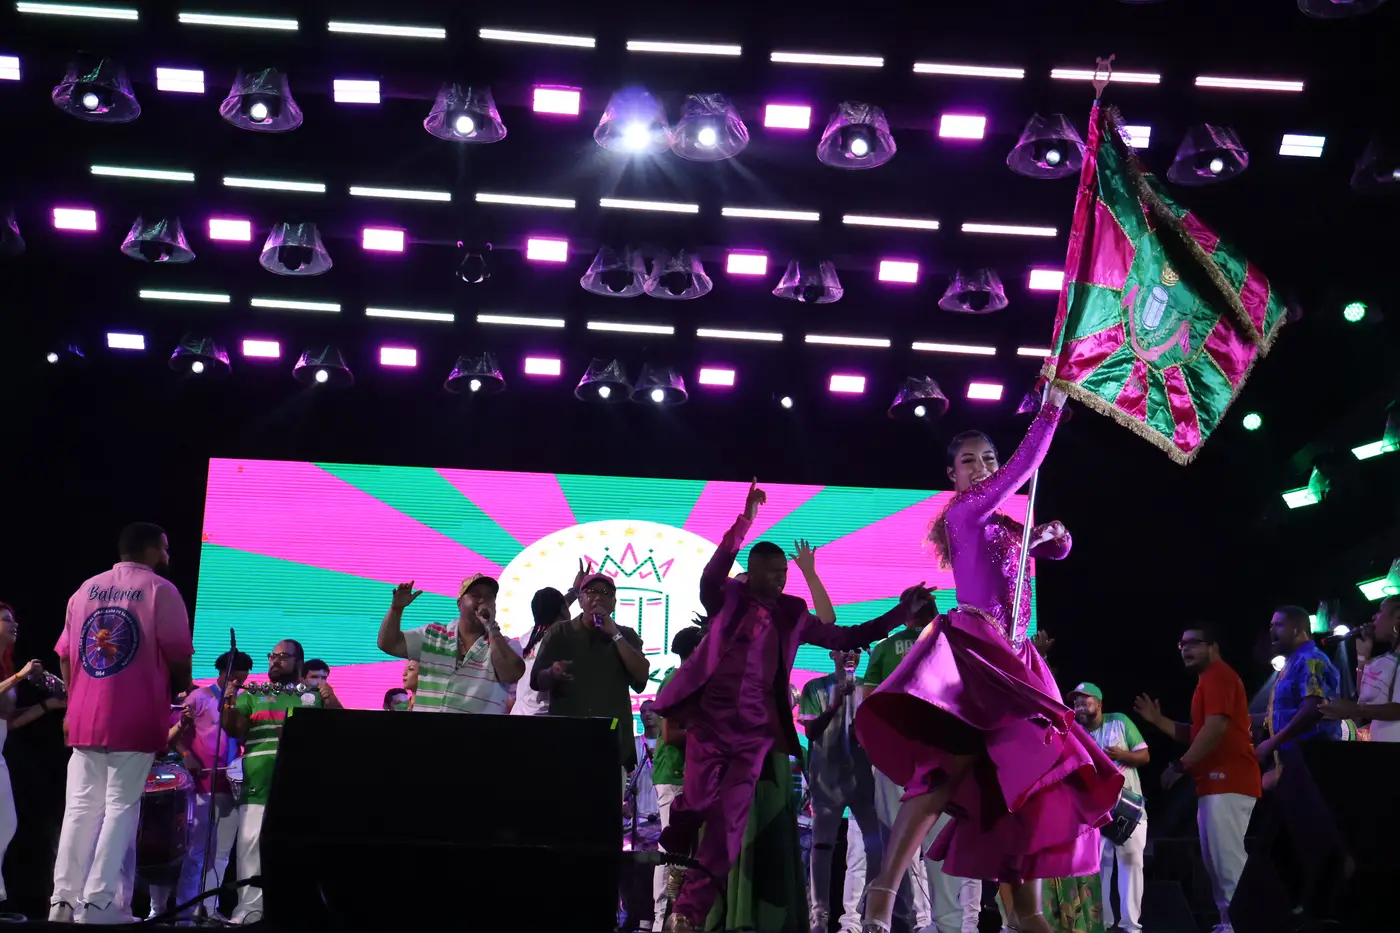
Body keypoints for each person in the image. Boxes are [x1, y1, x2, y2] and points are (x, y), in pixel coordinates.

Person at [856, 396, 1122, 933]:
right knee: (946, 770)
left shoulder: (1001, 524)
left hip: (1018, 659)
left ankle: (1028, 914)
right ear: (952, 475)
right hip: (977, 651)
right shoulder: (964, 512)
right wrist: (1049, 413)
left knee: (1030, 781)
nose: (982, 468)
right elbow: (1024, 468)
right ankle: (883, 892)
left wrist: (1053, 537)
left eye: (989, 459)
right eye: (970, 461)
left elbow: (1057, 552)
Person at [655, 479, 934, 932]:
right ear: (752, 572)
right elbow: (711, 574)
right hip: (711, 724)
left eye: (784, 572)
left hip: (754, 736)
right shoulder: (727, 597)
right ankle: (684, 825)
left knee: (728, 832)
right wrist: (745, 520)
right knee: (700, 803)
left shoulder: (793, 612)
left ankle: (688, 912)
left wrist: (901, 613)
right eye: (772, 572)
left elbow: (846, 635)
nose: (780, 578)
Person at [49, 523, 195, 924]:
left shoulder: (85, 589)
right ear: (151, 549)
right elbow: (179, 652)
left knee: (79, 808)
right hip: (134, 714)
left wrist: (75, 701)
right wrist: (184, 686)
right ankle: (98, 904)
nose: (168, 556)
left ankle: (62, 902)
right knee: (120, 808)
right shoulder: (160, 590)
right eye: (165, 548)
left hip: (85, 716)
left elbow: (65, 654)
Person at [1134, 626, 1260, 933]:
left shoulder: (1219, 675)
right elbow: (1198, 732)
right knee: (1217, 859)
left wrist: (1180, 766)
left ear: (1213, 646)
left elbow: (1215, 729)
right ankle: (1230, 921)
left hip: (1228, 780)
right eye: (1181, 645)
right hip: (1216, 783)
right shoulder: (1208, 680)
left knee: (1226, 858)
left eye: (1193, 643)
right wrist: (1158, 721)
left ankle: (1241, 923)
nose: (1185, 649)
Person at [863, 612, 982, 933]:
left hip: (916, 754)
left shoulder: (896, 647)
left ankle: (923, 920)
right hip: (929, 753)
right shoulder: (951, 645)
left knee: (909, 842)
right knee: (925, 843)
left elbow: (867, 701)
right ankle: (936, 922)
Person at [221, 639, 337, 923]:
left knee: (297, 847)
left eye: (283, 656)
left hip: (301, 783)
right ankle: (249, 911)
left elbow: (337, 729)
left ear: (299, 662)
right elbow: (234, 729)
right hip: (258, 779)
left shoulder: (312, 695)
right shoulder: (253, 694)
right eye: (272, 656)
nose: (275, 660)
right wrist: (228, 703)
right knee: (250, 844)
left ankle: (295, 911)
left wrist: (330, 698)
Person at [533, 573, 650, 781]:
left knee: (607, 802)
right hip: (567, 742)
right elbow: (536, 680)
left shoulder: (626, 635)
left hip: (612, 745)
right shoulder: (561, 631)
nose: (598, 597)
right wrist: (552, 673)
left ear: (614, 603)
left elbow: (641, 676)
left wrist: (615, 634)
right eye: (591, 591)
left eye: (606, 593)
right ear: (580, 600)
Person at [799, 648, 884, 933]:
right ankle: (819, 915)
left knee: (876, 846)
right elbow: (811, 732)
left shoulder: (867, 689)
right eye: (845, 649)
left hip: (863, 780)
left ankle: (868, 911)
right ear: (832, 654)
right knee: (822, 847)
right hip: (826, 780)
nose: (851, 654)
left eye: (857, 650)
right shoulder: (815, 687)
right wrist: (834, 705)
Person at [171, 650, 252, 921]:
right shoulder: (199, 698)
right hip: (203, 782)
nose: (239, 681)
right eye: (236, 676)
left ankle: (210, 908)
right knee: (196, 851)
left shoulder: (244, 700)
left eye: (244, 676)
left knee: (222, 854)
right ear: (222, 672)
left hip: (232, 784)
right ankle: (185, 910)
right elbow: (174, 734)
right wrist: (186, 754)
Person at [378, 574, 524, 713]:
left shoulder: (506, 646)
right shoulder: (433, 634)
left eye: (489, 597)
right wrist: (396, 609)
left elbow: (511, 674)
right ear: (459, 604)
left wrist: (491, 627)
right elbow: (388, 644)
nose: (482, 600)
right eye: (475, 595)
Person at [1068, 683, 1148, 933]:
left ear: (1099, 704)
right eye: (1076, 703)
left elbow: (1144, 755)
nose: (1080, 707)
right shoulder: (1075, 733)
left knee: (1131, 864)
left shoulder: (1120, 722)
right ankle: (1101, 922)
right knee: (1098, 868)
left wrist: (1122, 755)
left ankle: (1131, 925)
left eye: (1085, 702)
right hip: (1095, 814)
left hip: (1128, 810)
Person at [651, 625, 703, 932]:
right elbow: (670, 734)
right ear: (696, 650)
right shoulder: (676, 680)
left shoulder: (695, 681)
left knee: (684, 853)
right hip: (673, 773)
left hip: (690, 775)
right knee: (670, 850)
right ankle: (660, 921)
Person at [1256, 606, 1341, 788]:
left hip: (1312, 758)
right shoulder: (1292, 663)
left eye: (1279, 625)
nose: (1272, 630)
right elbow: (1285, 713)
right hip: (1295, 759)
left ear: (1296, 630)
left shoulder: (1311, 659)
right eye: (1271, 625)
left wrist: (1272, 742)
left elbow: (1313, 710)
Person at [1321, 594, 1400, 739]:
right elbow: (1365, 695)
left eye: (1380, 611)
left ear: (1397, 618)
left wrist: (1355, 710)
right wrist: (1363, 656)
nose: (1374, 617)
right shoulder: (1386, 659)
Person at [513, 569, 586, 717]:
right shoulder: (562, 640)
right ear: (563, 610)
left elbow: (555, 607)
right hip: (543, 719)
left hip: (517, 716)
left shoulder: (526, 639)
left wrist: (574, 592)